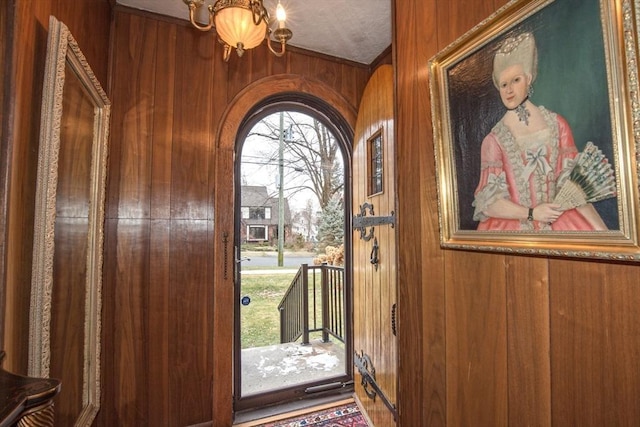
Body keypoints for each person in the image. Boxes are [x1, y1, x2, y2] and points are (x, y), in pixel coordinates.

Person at [472, 32, 607, 231]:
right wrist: (532, 213)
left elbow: (575, 189)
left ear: (529, 78)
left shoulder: (557, 124)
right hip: (511, 226)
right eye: (503, 84)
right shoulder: (493, 140)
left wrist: (603, 232)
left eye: (516, 80)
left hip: (560, 222)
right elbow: (489, 203)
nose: (509, 90)